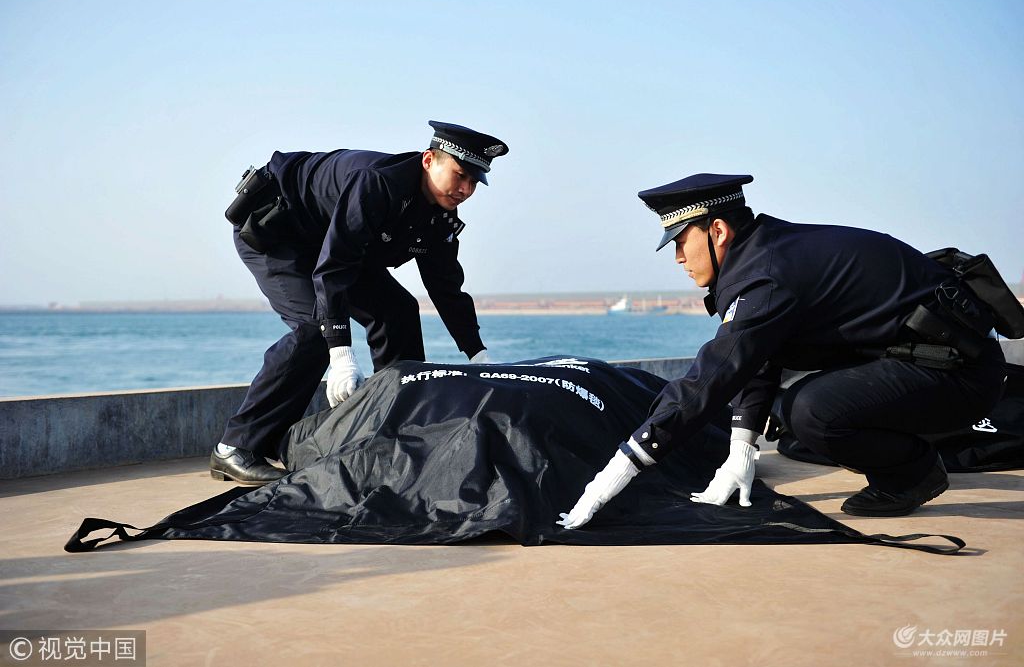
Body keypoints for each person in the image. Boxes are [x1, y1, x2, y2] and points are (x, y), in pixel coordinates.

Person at [558, 173, 1007, 528]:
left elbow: (708, 380)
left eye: (679, 241)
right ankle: (905, 457)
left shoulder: (766, 276)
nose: (677, 256)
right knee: (798, 407)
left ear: (716, 230)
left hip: (959, 375)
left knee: (810, 411)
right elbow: (757, 355)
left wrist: (617, 472)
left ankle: (913, 474)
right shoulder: (765, 253)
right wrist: (741, 450)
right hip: (928, 362)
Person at [210, 121, 509, 485]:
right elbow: (333, 269)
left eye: (475, 183)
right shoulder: (378, 184)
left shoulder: (440, 214)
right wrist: (341, 356)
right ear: (429, 160)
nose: (466, 189)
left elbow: (446, 287)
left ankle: (398, 432)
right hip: (278, 232)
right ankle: (234, 448)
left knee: (397, 311)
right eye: (460, 175)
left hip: (334, 244)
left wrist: (478, 355)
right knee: (313, 331)